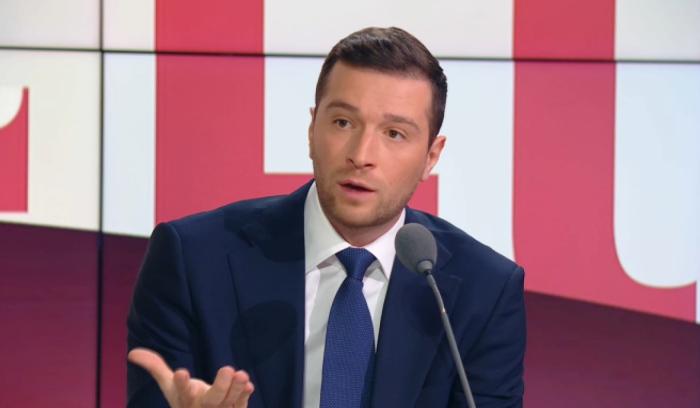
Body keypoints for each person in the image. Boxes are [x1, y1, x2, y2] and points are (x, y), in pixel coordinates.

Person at [127, 27, 526, 408]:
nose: (361, 155)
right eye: (342, 123)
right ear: (311, 129)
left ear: (431, 157)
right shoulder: (193, 260)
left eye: (394, 133)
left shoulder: (483, 291)